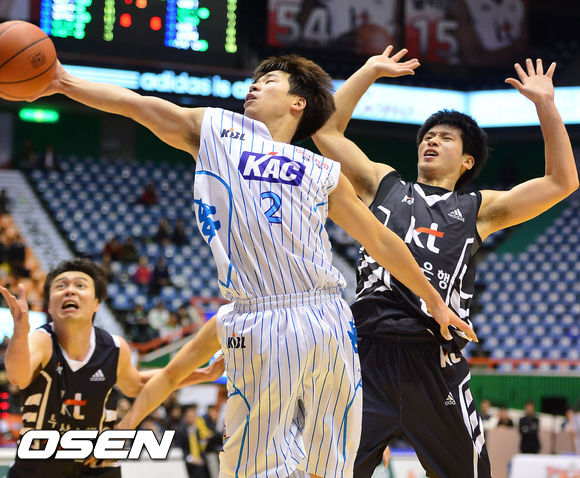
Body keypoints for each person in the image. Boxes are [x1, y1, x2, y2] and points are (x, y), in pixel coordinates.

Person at [22, 55, 476, 478]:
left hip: (328, 316)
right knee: (252, 466)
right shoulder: (218, 130)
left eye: (269, 81)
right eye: (255, 80)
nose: (254, 86)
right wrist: (62, 81)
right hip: (259, 314)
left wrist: (435, 302)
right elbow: (137, 105)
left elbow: (380, 240)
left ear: (298, 102)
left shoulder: (321, 169)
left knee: (330, 465)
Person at [311, 46, 578, 478]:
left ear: (468, 161)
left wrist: (546, 104)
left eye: (445, 137)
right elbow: (325, 130)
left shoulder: (480, 209)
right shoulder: (383, 184)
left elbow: (562, 181)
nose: (432, 140)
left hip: (435, 359)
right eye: (428, 136)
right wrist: (369, 70)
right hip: (365, 354)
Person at [0, 258, 224, 478]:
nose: (70, 291)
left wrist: (203, 375)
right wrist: (20, 332)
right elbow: (17, 376)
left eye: (80, 285)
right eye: (61, 286)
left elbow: (138, 385)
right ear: (49, 305)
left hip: (96, 465)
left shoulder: (115, 348)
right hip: (40, 465)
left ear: (96, 303)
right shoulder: (40, 340)